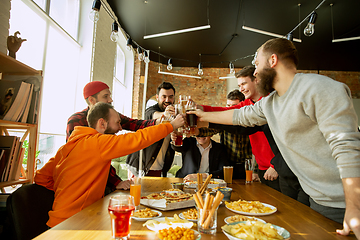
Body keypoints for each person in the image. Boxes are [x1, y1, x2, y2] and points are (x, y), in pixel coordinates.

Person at [190, 38, 360, 238]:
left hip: (347, 204)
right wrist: (201, 117)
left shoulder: (318, 88)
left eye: (256, 64)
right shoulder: (270, 102)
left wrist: (354, 207)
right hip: (319, 200)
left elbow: (346, 148)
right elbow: (240, 116)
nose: (254, 72)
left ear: (272, 60)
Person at [35, 102, 185, 227]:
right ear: (102, 123)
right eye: (118, 123)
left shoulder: (66, 147)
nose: (120, 128)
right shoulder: (97, 143)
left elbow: (41, 178)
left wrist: (69, 189)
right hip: (75, 223)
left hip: (56, 223)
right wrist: (171, 125)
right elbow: (138, 139)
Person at [66, 81, 159, 193]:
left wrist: (161, 121)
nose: (110, 100)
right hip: (82, 185)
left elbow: (136, 124)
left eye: (109, 95)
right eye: (106, 96)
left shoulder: (110, 115)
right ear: (91, 100)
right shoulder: (76, 121)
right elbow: (85, 159)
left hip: (105, 180)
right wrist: (116, 182)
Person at [198, 66, 281, 192]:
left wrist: (276, 164)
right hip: (262, 167)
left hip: (275, 167)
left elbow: (285, 138)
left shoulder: (270, 101)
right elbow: (225, 112)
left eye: (244, 83)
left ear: (256, 80)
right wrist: (200, 108)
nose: (241, 88)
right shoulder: (247, 104)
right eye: (239, 85)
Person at [196, 90, 254, 179]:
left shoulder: (250, 121)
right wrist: (196, 131)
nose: (229, 109)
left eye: (233, 106)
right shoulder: (224, 121)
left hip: (247, 166)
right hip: (228, 165)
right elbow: (208, 131)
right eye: (228, 106)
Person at [127, 82, 177, 177]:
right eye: (164, 97)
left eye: (171, 97)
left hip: (161, 169)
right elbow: (151, 115)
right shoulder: (151, 110)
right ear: (157, 97)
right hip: (140, 167)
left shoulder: (175, 115)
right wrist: (164, 114)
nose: (167, 100)